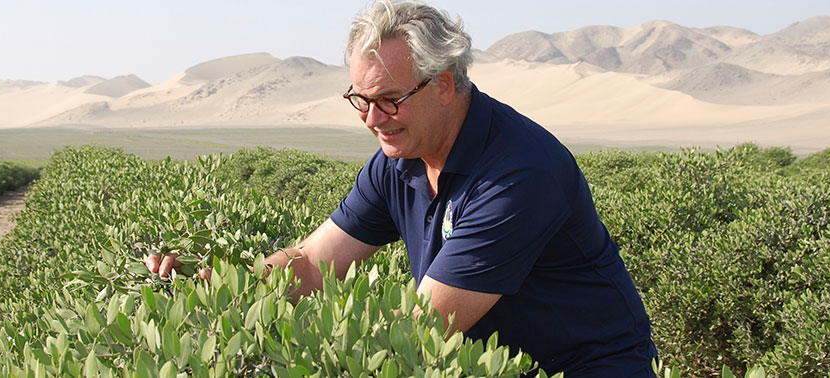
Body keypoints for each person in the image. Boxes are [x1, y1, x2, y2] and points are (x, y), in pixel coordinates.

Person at [146, 0, 656, 375]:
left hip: (589, 367)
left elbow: (418, 329)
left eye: (389, 99)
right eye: (360, 99)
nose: (372, 119)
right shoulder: (398, 157)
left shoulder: (517, 177)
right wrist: (219, 286)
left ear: (444, 85)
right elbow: (314, 260)